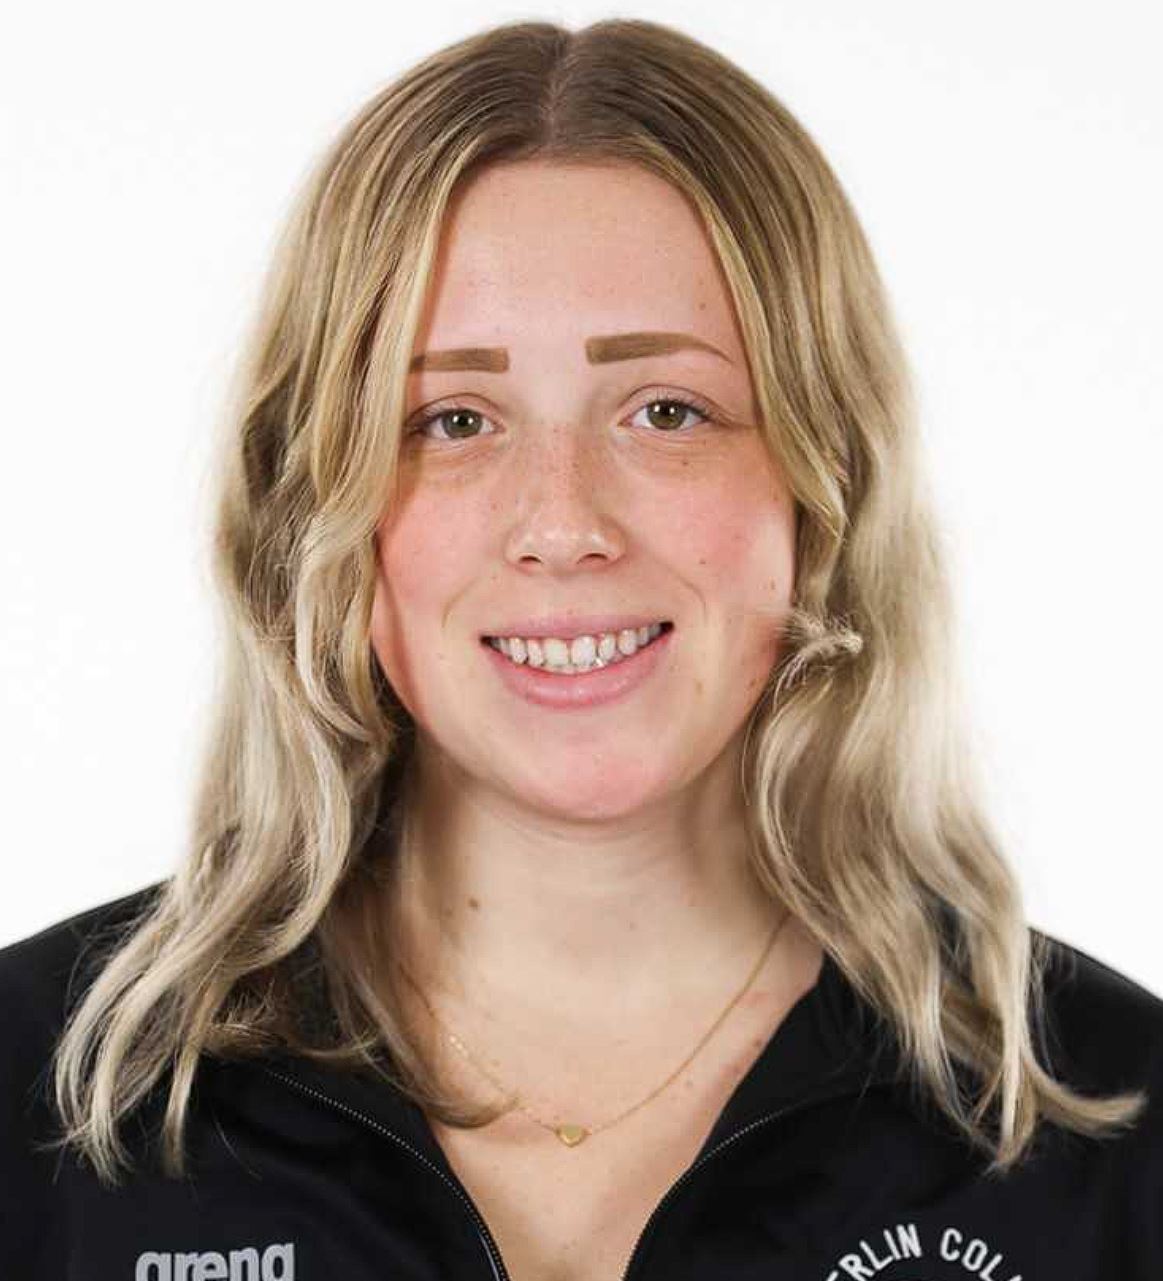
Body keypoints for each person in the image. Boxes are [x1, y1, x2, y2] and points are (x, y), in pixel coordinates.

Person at [2, 17, 1161, 1281]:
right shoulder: (33, 1100)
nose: (561, 525)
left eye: (666, 411)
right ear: (316, 507)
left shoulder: (1115, 1134)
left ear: (823, 483)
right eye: (452, 420)